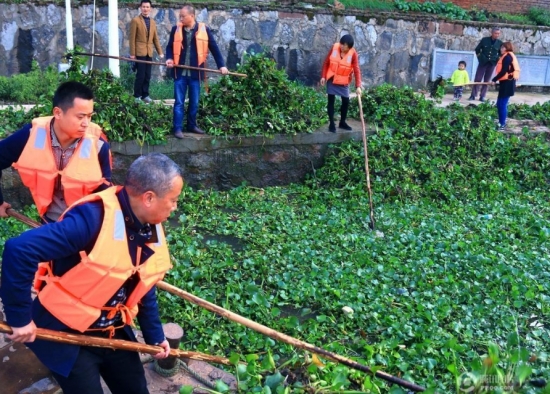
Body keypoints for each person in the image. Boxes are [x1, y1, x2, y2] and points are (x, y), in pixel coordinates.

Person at [1, 153, 183, 394]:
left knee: (135, 388)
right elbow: (19, 249)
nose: (175, 206)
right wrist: (19, 318)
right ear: (149, 198)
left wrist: (154, 336)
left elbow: (143, 280)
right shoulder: (91, 220)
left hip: (110, 328)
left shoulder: (148, 224)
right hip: (64, 331)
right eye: (173, 199)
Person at [0, 81, 112, 223]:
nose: (86, 123)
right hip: (48, 223)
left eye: (89, 116)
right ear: (58, 113)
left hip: (85, 227)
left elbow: (106, 193)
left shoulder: (98, 144)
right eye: (80, 117)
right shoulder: (31, 135)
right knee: (14, 245)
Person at [165, 4, 229, 138]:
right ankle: (177, 128)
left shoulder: (204, 30)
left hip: (196, 73)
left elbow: (214, 48)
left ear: (192, 16)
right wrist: (170, 58)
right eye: (180, 16)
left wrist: (221, 65)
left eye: (183, 16)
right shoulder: (175, 29)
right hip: (180, 73)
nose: (180, 18)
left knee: (194, 101)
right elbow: (169, 47)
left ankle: (191, 125)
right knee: (179, 102)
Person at [320, 34, 362, 133]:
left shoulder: (353, 54)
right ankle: (331, 123)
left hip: (343, 81)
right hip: (332, 79)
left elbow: (356, 70)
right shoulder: (335, 48)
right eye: (341, 44)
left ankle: (342, 122)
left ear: (349, 47)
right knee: (331, 101)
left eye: (344, 45)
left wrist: (358, 86)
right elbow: (326, 63)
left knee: (346, 101)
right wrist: (323, 76)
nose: (342, 46)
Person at [129, 0, 164, 104]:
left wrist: (160, 52)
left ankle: (145, 95)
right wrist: (132, 54)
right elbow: (132, 38)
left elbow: (155, 38)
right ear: (140, 7)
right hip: (139, 52)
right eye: (143, 6)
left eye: (147, 7)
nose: (145, 9)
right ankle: (137, 95)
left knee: (148, 75)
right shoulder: (135, 20)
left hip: (149, 52)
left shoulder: (152, 22)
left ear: (150, 8)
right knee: (140, 75)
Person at [491, 42, 520, 131]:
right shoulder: (507, 56)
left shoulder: (507, 57)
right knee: (500, 103)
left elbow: (503, 71)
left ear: (507, 48)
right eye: (501, 47)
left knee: (502, 104)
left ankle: (502, 125)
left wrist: (494, 79)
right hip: (506, 82)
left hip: (508, 83)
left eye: (503, 47)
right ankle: (501, 122)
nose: (501, 49)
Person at [468, 27, 502, 102]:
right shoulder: (485, 40)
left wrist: (497, 60)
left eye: (498, 34)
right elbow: (477, 49)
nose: (497, 35)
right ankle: (473, 95)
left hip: (492, 63)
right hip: (483, 62)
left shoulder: (499, 43)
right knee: (478, 79)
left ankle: (482, 96)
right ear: (492, 33)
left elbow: (500, 53)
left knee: (487, 80)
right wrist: (480, 58)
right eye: (496, 33)